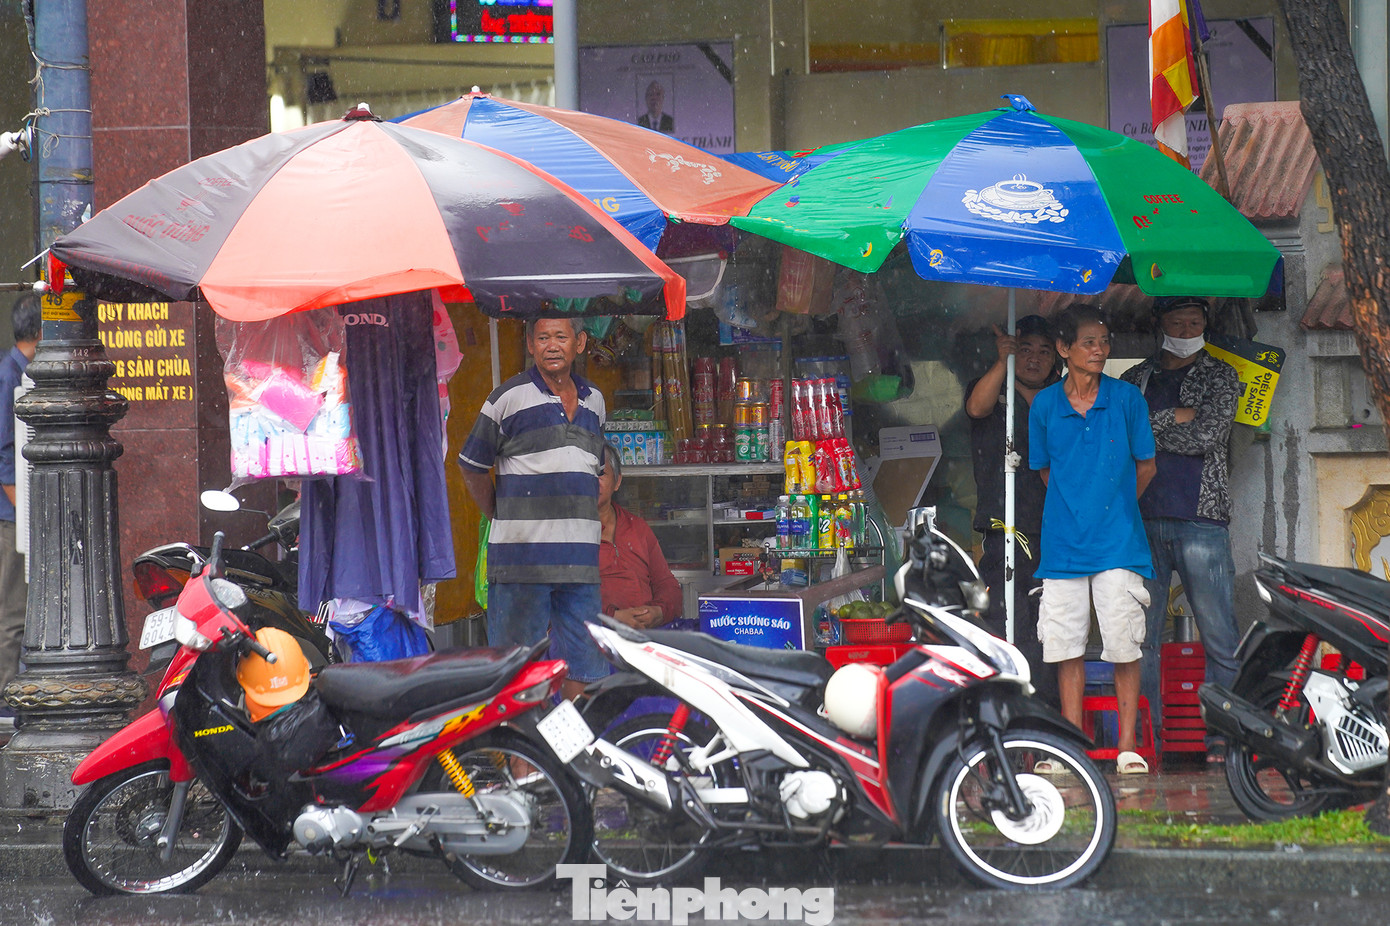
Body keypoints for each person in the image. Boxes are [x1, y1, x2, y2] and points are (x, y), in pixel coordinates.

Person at [1030, 303, 1156, 774]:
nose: (1099, 350)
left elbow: (1147, 466)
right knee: (1064, 647)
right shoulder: (1045, 405)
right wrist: (1080, 507)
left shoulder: (1127, 399)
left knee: (1124, 644)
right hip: (1063, 545)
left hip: (1119, 542)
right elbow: (1045, 471)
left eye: (1104, 342)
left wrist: (1113, 507)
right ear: (1064, 349)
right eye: (1089, 343)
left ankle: (1127, 748)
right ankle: (1070, 750)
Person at [459, 317, 607, 701]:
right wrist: (499, 515)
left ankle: (572, 741)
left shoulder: (595, 401)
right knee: (519, 671)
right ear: (530, 345)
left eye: (561, 337)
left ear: (580, 342)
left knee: (585, 668)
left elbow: (594, 471)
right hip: (521, 561)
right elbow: (471, 465)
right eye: (543, 338)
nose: (551, 345)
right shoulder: (507, 398)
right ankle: (522, 744)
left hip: (580, 563)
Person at [1121, 296, 1241, 763]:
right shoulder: (1135, 378)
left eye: (1194, 321)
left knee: (1220, 636)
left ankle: (1223, 740)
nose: (1187, 329)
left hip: (1202, 519)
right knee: (1141, 639)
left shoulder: (1220, 375)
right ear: (1160, 323)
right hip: (1141, 518)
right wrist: (1176, 417)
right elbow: (1119, 437)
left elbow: (1209, 436)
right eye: (1178, 321)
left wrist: (1148, 426)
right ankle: (1147, 741)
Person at [964, 315, 1060, 709]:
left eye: (1044, 351)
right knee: (1004, 619)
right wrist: (1003, 361)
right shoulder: (993, 387)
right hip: (1002, 527)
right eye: (1026, 349)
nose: (1034, 358)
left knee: (1049, 625)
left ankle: (1044, 712)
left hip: (1053, 528)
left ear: (1057, 357)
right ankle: (1006, 709)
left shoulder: (1062, 395)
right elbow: (976, 408)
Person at [597, 445, 685, 630]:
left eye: (600, 473)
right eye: (585, 474)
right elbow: (556, 600)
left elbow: (667, 584)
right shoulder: (565, 534)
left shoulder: (637, 528)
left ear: (617, 481)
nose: (592, 481)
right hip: (593, 639)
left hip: (645, 638)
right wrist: (612, 618)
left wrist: (659, 612)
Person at [0, 294, 39, 700]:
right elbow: (4, 453)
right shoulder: (8, 375)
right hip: (11, 516)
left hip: (18, 512)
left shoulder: (21, 372)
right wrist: (20, 509)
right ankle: (6, 695)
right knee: (13, 611)